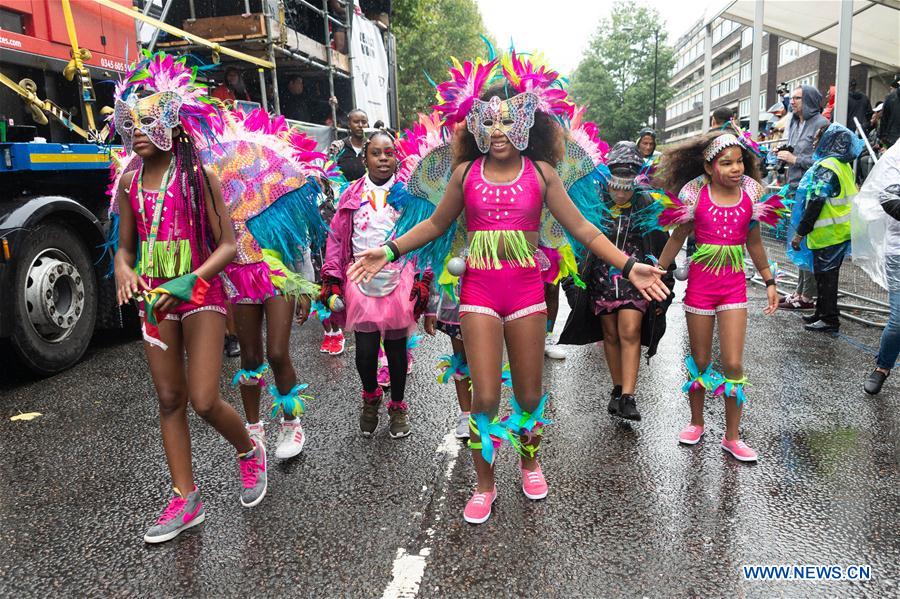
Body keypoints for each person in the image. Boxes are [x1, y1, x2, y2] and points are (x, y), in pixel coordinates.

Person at [348, 55, 668, 523]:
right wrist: (389, 249)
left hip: (525, 295)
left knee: (530, 393)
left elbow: (581, 227)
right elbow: (437, 223)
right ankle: (484, 483)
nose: (497, 129)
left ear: (527, 123)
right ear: (474, 125)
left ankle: (530, 461)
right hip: (478, 293)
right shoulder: (464, 174)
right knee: (485, 398)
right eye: (487, 119)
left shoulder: (542, 173)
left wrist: (630, 264)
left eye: (507, 119)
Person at [110, 52, 266, 543]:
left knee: (201, 398)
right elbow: (126, 246)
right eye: (130, 120)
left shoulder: (201, 176)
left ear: (175, 123)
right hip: (153, 301)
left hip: (200, 293)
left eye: (150, 119)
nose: (137, 129)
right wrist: (122, 270)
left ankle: (247, 450)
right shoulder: (129, 181)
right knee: (170, 398)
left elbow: (228, 245)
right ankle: (185, 496)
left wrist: (187, 279)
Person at [655, 128, 785, 462]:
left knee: (733, 362)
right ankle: (696, 422)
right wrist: (657, 271)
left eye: (740, 161)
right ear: (710, 167)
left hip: (733, 287)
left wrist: (770, 281)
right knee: (700, 361)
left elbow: (754, 245)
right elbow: (675, 239)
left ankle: (732, 436)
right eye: (727, 163)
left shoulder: (750, 199)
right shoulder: (696, 197)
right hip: (700, 287)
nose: (736, 168)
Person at [218, 109, 325, 462]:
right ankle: (253, 428)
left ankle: (291, 421)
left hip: (278, 277)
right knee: (250, 356)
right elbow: (213, 245)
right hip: (238, 278)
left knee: (277, 352)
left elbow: (299, 243)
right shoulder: (214, 186)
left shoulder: (276, 188)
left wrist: (305, 289)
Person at [321, 130, 428, 439]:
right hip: (360, 279)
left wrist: (423, 279)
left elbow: (421, 238)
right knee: (365, 353)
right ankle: (371, 397)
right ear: (365, 158)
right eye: (376, 153)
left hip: (397, 278)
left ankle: (397, 405)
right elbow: (337, 238)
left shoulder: (408, 195)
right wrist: (332, 279)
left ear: (396, 157)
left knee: (396, 350)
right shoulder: (350, 194)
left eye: (389, 153)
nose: (383, 158)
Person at [583, 141, 674, 420]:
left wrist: (665, 279)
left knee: (630, 330)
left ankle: (629, 397)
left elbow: (661, 244)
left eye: (626, 187)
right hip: (602, 277)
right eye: (615, 186)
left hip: (638, 277)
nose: (620, 193)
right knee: (610, 334)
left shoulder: (647, 203)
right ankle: (618, 389)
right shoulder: (594, 200)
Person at [791, 124, 863, 333]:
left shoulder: (828, 166)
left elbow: (816, 201)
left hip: (829, 232)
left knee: (826, 278)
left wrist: (800, 232)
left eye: (817, 138)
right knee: (824, 277)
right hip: (838, 230)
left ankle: (829, 319)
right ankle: (821, 312)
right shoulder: (842, 164)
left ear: (829, 141)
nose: (814, 143)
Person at [778, 85, 830, 311]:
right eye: (793, 98)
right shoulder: (794, 122)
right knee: (797, 242)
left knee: (805, 241)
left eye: (798, 98)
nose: (793, 101)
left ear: (810, 100)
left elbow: (824, 160)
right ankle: (800, 290)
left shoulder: (821, 124)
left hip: (810, 190)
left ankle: (807, 296)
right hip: (794, 188)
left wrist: (794, 158)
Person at [856, 142, 900, 394]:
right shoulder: (896, 156)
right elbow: (888, 198)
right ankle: (883, 366)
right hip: (898, 250)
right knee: (899, 320)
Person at [879, 75, 900, 148]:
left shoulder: (890, 98)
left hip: (892, 138)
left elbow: (884, 118)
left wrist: (882, 136)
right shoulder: (890, 98)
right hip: (892, 137)